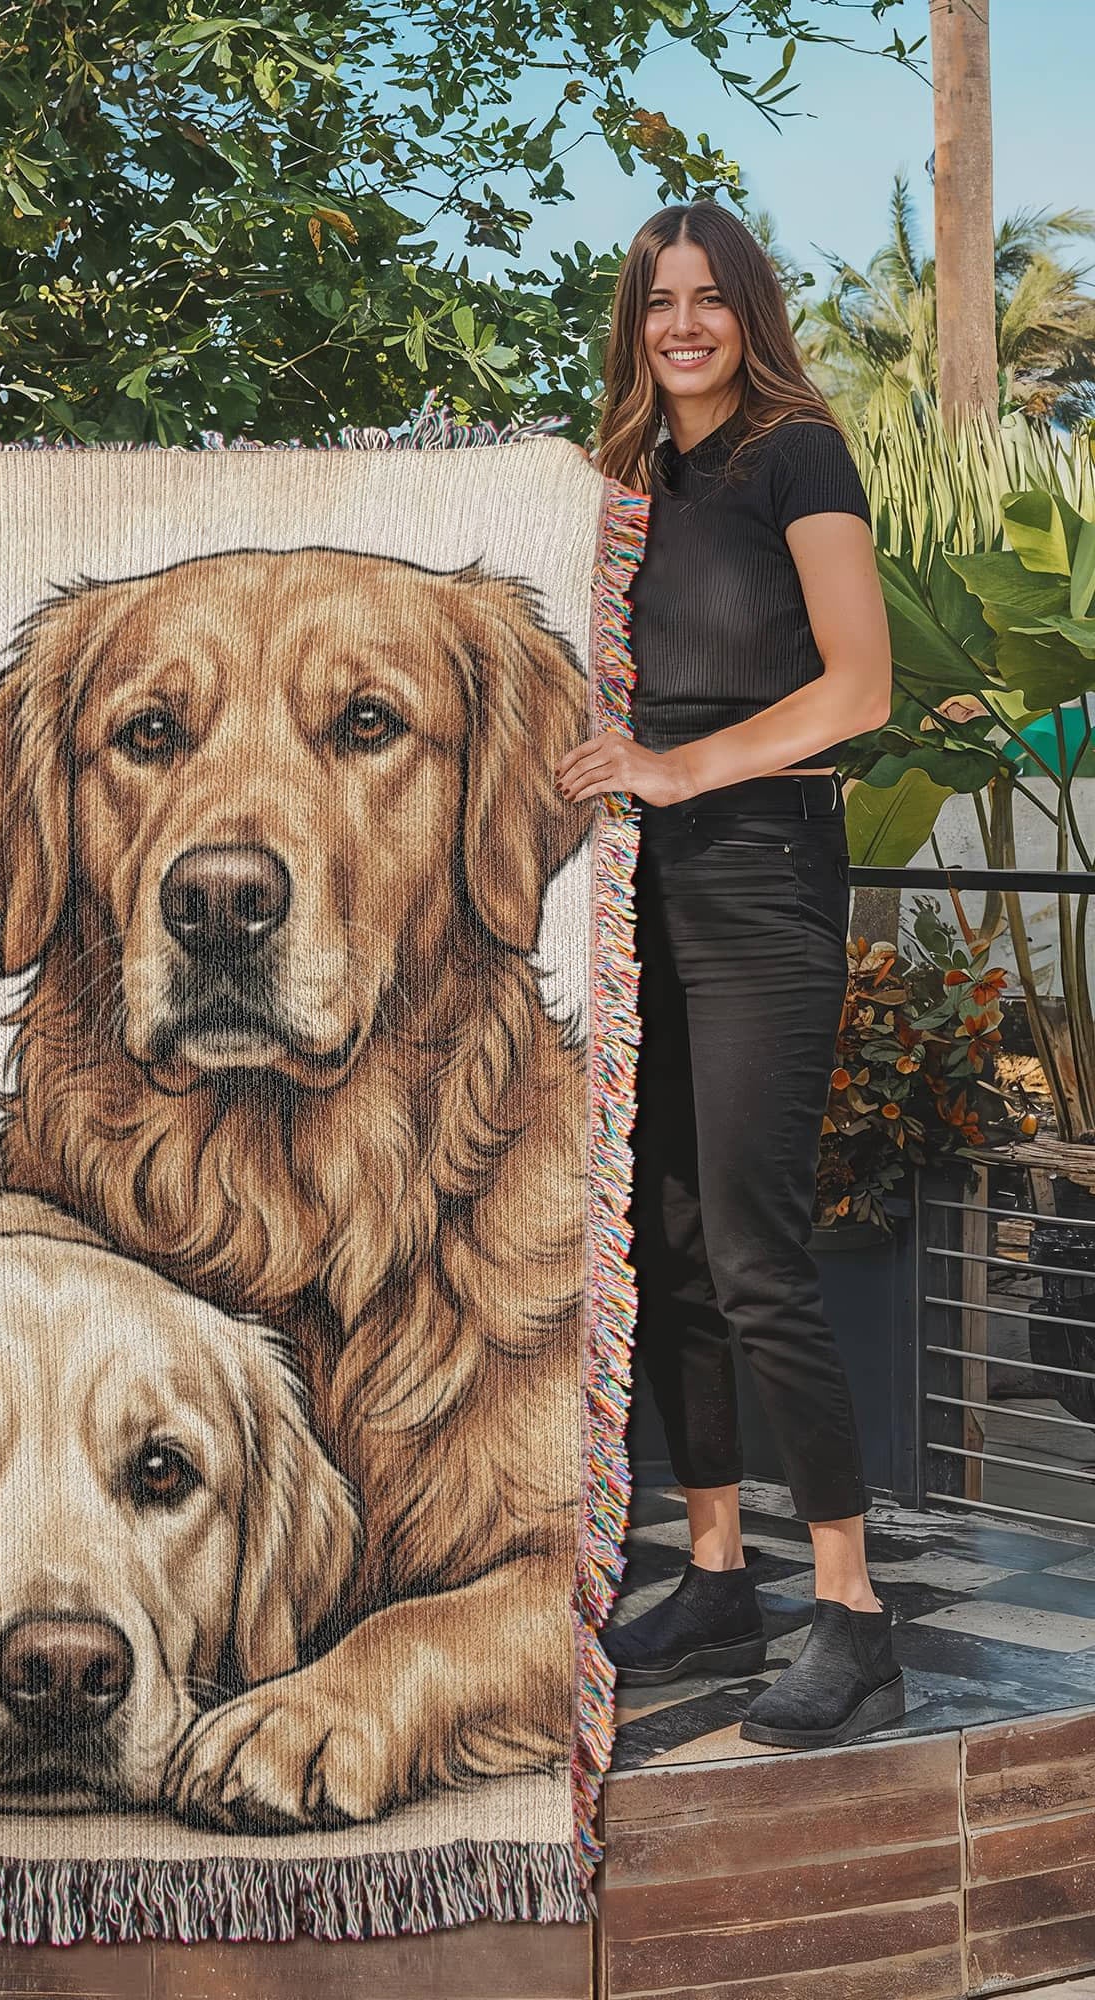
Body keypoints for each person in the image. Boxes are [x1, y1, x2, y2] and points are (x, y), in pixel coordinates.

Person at [557, 202, 899, 1748]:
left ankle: (852, 1611)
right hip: (645, 883)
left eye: (707, 298)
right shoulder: (630, 480)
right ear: (632, 325)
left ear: (747, 307)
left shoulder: (797, 451)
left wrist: (684, 771)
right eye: (656, 303)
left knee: (756, 1248)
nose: (681, 325)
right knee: (671, 1241)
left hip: (763, 875)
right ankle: (714, 1572)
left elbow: (862, 684)